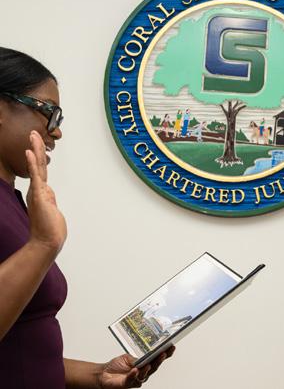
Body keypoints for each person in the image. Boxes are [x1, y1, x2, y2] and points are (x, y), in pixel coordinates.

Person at [0, 47, 175, 389]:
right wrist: (44, 244)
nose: (56, 132)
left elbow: (22, 349)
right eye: (49, 113)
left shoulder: (15, 202)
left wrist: (98, 375)